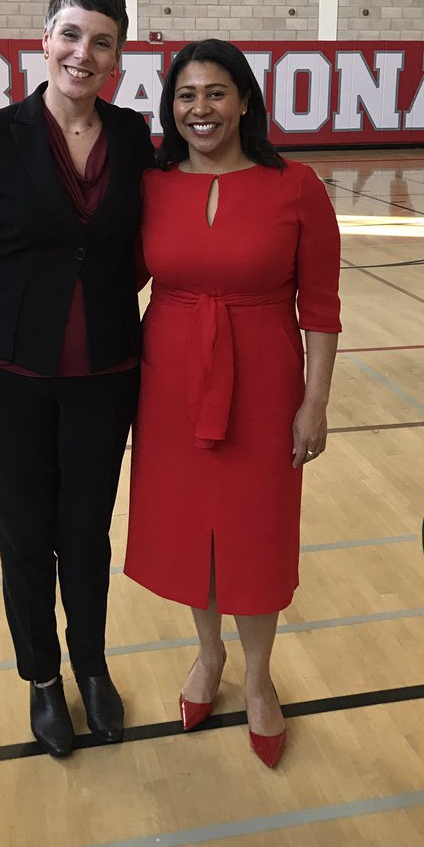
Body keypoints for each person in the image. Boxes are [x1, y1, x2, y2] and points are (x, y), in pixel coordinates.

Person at [0, 0, 154, 758]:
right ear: (45, 40)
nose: (82, 53)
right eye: (71, 34)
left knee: (87, 536)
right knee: (26, 540)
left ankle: (91, 666)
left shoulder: (134, 137)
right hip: (6, 373)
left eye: (102, 41)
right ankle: (42, 678)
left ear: (119, 57)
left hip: (104, 374)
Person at [124, 39, 341, 769]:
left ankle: (258, 676)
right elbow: (113, 276)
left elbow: (321, 308)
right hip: (171, 381)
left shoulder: (296, 187)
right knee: (193, 527)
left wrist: (315, 402)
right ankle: (209, 654)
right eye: (186, 95)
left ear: (245, 100)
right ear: (170, 108)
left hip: (265, 384)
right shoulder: (152, 185)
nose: (201, 109)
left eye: (216, 92)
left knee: (255, 530)